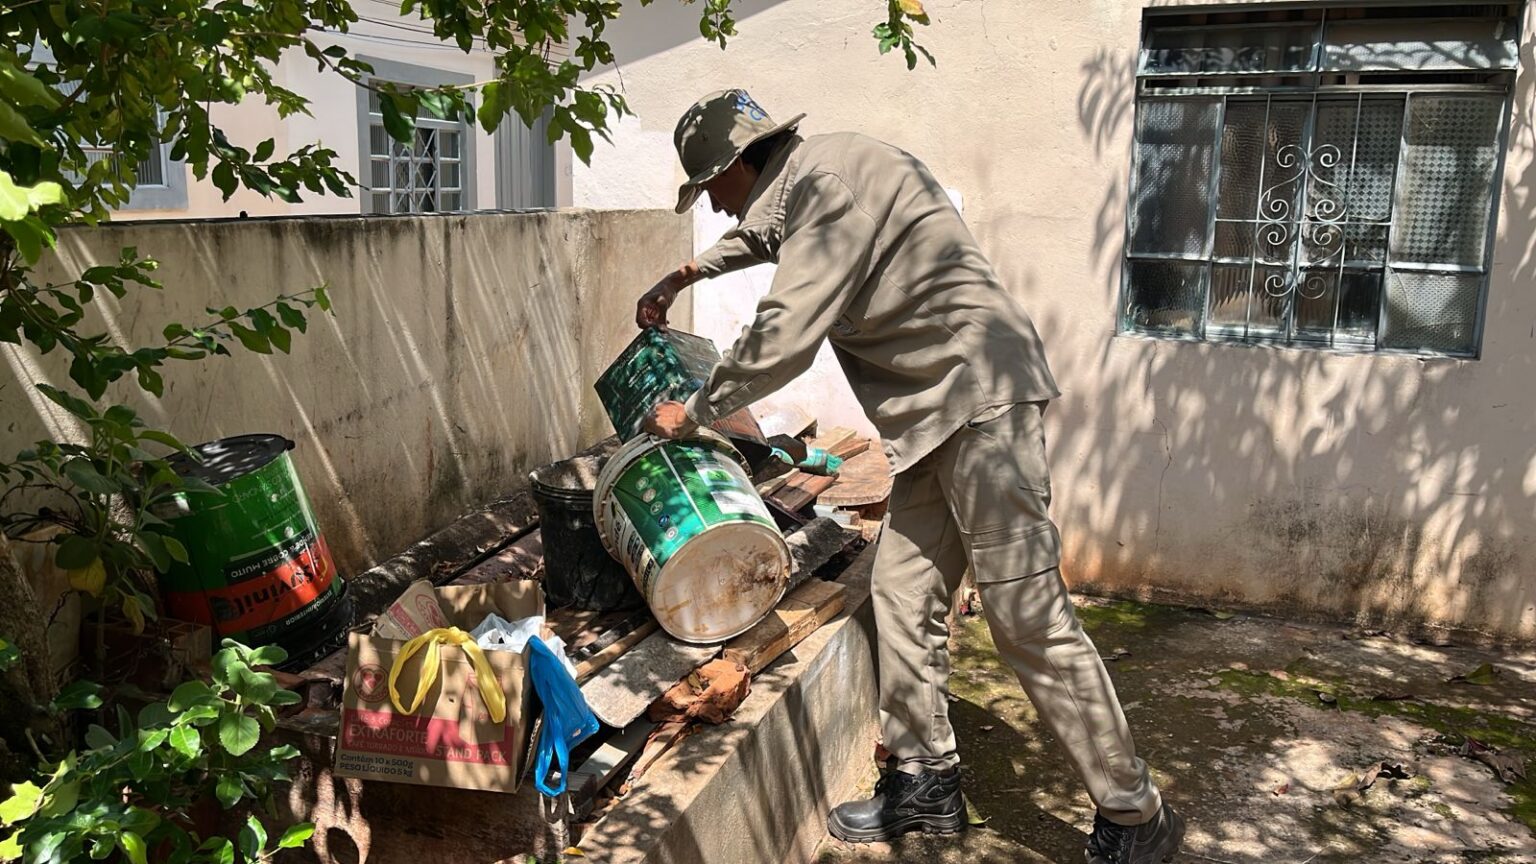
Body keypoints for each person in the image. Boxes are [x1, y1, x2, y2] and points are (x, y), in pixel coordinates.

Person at [636, 89, 1184, 864]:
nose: (716, 209)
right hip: (934, 421)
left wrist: (694, 411)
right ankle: (926, 777)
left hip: (979, 404)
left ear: (735, 165)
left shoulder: (827, 188)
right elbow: (761, 235)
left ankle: (1136, 815)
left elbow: (785, 333)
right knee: (899, 589)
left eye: (709, 191)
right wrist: (683, 273)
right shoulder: (809, 179)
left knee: (1026, 616)